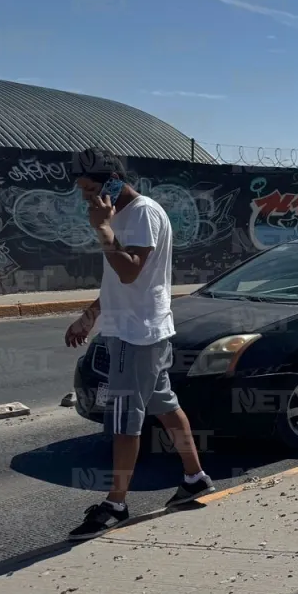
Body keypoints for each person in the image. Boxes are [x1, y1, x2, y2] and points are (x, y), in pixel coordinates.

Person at [63, 149, 215, 540]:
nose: (86, 197)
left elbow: (130, 271)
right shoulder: (120, 213)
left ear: (112, 180)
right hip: (134, 329)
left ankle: (116, 503)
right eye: (82, 189)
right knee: (166, 405)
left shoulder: (142, 213)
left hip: (137, 334)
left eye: (90, 188)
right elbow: (117, 283)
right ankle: (195, 477)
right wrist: (90, 315)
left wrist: (104, 232)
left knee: (124, 423)